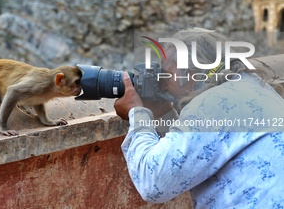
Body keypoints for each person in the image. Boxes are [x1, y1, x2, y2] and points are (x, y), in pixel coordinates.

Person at [114, 28, 284, 208]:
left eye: (166, 74)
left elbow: (153, 182)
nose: (162, 85)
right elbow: (197, 149)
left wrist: (137, 113)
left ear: (188, 74)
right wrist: (163, 114)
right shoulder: (253, 86)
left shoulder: (213, 103)